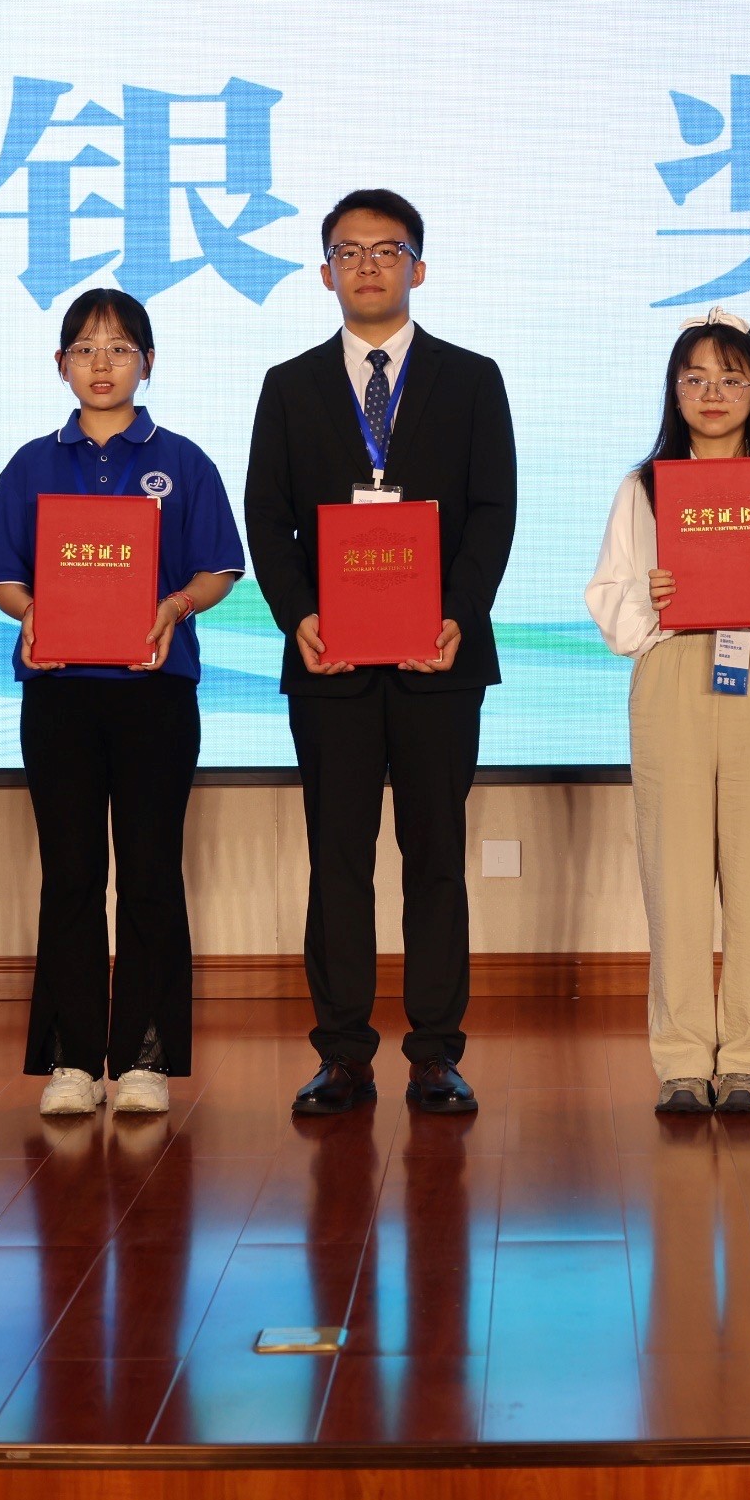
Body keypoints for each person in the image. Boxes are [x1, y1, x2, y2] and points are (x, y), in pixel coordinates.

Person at [243, 189, 517, 1119]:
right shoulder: (288, 384)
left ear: (418, 268)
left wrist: (458, 614)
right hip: (332, 664)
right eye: (347, 251)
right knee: (338, 860)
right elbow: (267, 517)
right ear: (324, 271)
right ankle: (342, 1055)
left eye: (386, 249)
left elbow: (494, 510)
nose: (367, 264)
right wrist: (299, 616)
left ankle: (436, 1053)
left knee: (436, 855)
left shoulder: (472, 378)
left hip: (441, 658)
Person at [0, 287, 245, 1118]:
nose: (102, 363)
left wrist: (177, 605)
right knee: (71, 873)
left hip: (156, 691)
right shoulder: (30, 464)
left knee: (152, 871)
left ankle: (144, 1057)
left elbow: (218, 568)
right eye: (85, 348)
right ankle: (71, 1058)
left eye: (120, 347)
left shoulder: (184, 461)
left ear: (148, 362)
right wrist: (33, 613)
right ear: (59, 364)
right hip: (58, 693)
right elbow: (2, 574)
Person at [584, 308, 750, 1115]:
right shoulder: (645, 487)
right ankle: (683, 1059)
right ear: (674, 390)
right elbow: (609, 597)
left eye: (731, 377)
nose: (712, 393)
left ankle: (749, 1062)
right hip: (672, 669)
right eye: (694, 378)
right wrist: (651, 596)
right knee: (676, 876)